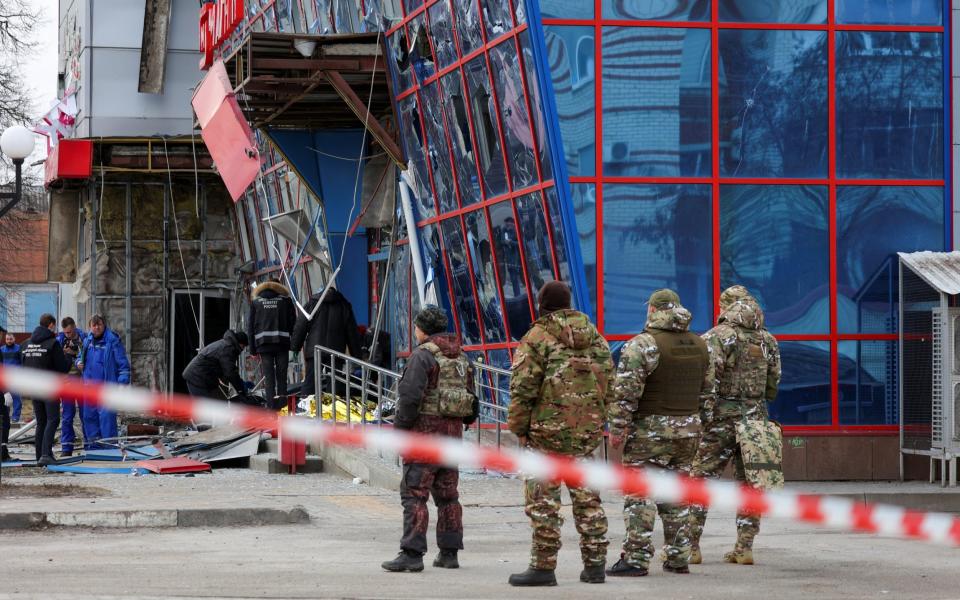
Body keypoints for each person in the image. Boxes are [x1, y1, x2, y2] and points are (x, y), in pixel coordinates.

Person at [507, 281, 614, 587]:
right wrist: (598, 421)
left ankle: (543, 566)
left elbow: (522, 390)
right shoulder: (597, 339)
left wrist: (519, 430)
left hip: (545, 435)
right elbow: (610, 384)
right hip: (586, 434)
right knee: (588, 499)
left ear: (542, 306)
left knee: (543, 502)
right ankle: (595, 566)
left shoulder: (536, 338)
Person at [606, 289, 712, 577]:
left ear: (653, 310)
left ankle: (636, 559)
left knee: (640, 494)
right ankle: (678, 558)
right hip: (689, 431)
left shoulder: (642, 345)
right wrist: (700, 425)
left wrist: (617, 429)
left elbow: (626, 394)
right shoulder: (701, 345)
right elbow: (708, 394)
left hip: (649, 433)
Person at [688, 285, 782, 566]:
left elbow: (707, 381)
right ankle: (744, 547)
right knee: (750, 484)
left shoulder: (717, 337)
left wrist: (704, 417)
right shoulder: (768, 340)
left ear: (725, 307)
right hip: (755, 417)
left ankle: (689, 547)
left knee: (700, 480)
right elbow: (773, 383)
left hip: (720, 418)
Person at [381, 306, 478, 573]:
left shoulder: (422, 356)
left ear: (422, 329)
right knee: (448, 496)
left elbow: (410, 398)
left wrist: (400, 430)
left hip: (424, 437)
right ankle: (449, 552)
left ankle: (412, 553)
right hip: (452, 438)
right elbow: (472, 400)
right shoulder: (461, 357)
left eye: (416, 326)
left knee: (415, 494)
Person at [291, 286, 362, 398]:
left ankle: (305, 406)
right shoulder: (344, 306)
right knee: (334, 382)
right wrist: (357, 354)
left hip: (315, 350)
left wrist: (295, 347)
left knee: (311, 380)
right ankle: (331, 408)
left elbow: (300, 326)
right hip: (336, 350)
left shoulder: (313, 304)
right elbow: (352, 332)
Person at [20, 313, 71, 464]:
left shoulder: (26, 344)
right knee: (53, 419)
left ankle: (39, 456)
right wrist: (68, 355)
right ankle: (46, 455)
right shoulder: (52, 343)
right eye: (54, 325)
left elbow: (23, 365)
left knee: (41, 421)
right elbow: (62, 367)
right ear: (50, 325)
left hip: (33, 386)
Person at [77, 315, 131, 447]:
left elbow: (123, 365)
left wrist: (121, 384)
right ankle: (94, 450)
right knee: (89, 419)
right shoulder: (87, 341)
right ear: (90, 327)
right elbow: (80, 357)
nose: (96, 327)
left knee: (107, 421)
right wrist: (78, 362)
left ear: (104, 325)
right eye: (94, 325)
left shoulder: (112, 341)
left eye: (99, 325)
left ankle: (109, 450)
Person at [247, 279, 296, 409]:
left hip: (264, 346)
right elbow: (293, 323)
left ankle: (271, 410)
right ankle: (283, 408)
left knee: (269, 379)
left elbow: (250, 327)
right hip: (282, 344)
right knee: (282, 378)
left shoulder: (256, 302)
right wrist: (295, 343)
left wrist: (252, 350)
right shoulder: (285, 301)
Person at [182, 330, 249, 401]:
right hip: (197, 377)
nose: (243, 349)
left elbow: (225, 369)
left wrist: (240, 383)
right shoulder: (227, 348)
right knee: (205, 407)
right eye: (243, 346)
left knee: (210, 405)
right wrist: (241, 390)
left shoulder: (226, 344)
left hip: (200, 376)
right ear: (240, 343)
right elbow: (230, 372)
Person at [56, 317, 85, 456]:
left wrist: (74, 353)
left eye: (70, 332)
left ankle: (90, 446)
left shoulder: (84, 337)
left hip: (82, 381)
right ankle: (66, 448)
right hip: (67, 382)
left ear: (74, 327)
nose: (68, 335)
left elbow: (88, 356)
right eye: (66, 333)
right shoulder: (59, 340)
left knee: (86, 415)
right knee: (67, 416)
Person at [1, 330, 22, 422]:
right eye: (7, 339)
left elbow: (22, 362)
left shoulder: (19, 349)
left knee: (16, 397)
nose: (9, 340)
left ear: (14, 339)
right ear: (5, 340)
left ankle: (15, 416)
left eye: (10, 339)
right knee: (3, 397)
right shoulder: (1, 350)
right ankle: (4, 416)